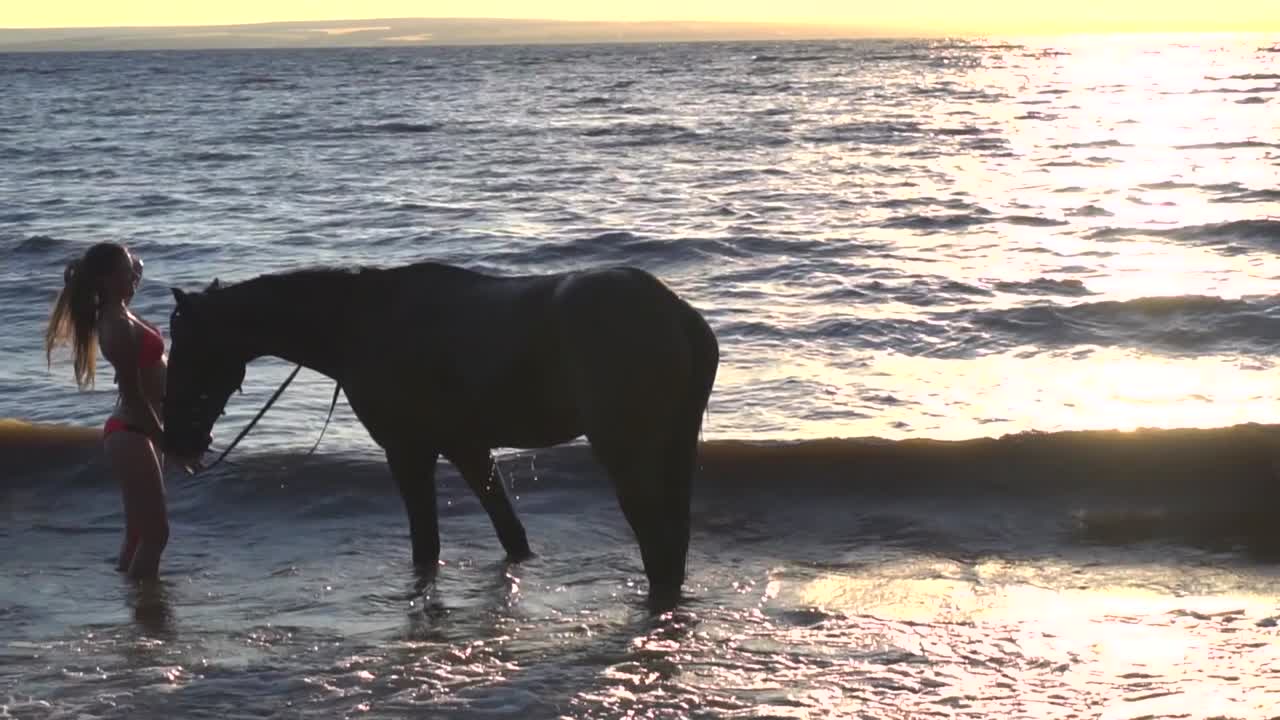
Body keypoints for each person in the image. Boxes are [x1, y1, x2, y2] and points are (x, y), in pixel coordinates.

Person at [44, 241, 173, 579]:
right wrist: (167, 441)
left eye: (132, 270)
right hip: (133, 431)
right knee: (156, 535)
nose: (133, 275)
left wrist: (133, 264)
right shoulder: (115, 325)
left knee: (137, 533)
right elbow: (132, 396)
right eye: (125, 272)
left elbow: (135, 272)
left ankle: (130, 615)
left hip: (138, 431)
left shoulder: (121, 310)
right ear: (104, 280)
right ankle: (148, 615)